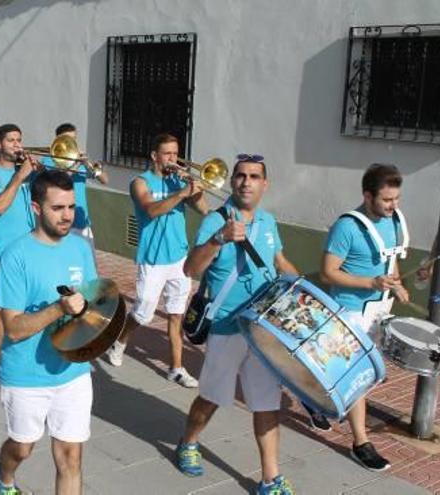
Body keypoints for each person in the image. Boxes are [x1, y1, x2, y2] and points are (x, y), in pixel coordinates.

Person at [176, 156, 298, 495]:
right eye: (241, 176)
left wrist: (299, 283)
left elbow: (278, 260)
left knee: (266, 402)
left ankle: (270, 479)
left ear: (264, 184)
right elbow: (190, 269)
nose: (246, 182)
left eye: (254, 176)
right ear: (232, 182)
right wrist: (219, 239)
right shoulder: (215, 220)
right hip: (226, 328)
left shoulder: (269, 222)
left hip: (262, 328)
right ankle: (188, 441)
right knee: (212, 397)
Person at [0, 169, 97, 495]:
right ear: (37, 208)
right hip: (26, 374)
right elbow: (13, 328)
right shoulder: (16, 256)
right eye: (58, 208)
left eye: (71, 207)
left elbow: (92, 302)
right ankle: (4, 478)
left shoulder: (80, 248)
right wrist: (58, 309)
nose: (67, 216)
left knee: (71, 457)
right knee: (22, 447)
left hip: (74, 371)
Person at [305, 164, 409, 472]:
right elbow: (328, 273)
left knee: (342, 374)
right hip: (348, 311)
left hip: (378, 311)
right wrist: (371, 283)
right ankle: (360, 442)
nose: (394, 206)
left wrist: (397, 283)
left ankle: (312, 397)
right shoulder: (347, 227)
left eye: (397, 199)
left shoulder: (394, 221)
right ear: (367, 196)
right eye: (387, 200)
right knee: (359, 380)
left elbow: (389, 261)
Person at [106, 133, 208, 389]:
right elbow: (151, 210)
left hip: (180, 258)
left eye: (176, 153)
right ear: (154, 156)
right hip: (152, 259)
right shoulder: (140, 182)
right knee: (143, 312)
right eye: (168, 154)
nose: (174, 159)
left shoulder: (178, 181)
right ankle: (120, 341)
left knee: (176, 314)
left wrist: (194, 190)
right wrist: (182, 193)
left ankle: (176, 368)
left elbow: (205, 210)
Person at [0, 124, 39, 358]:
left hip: (28, 249)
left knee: (27, 307)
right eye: (11, 140)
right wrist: (19, 176)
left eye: (19, 140)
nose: (17, 145)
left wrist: (39, 174)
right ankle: (0, 359)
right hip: (0, 251)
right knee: (1, 312)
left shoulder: (27, 175)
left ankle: (23, 352)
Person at [44, 123, 109, 250]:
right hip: (59, 222)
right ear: (59, 140)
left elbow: (104, 180)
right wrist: (75, 165)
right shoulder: (49, 161)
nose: (72, 143)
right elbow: (59, 182)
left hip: (81, 222)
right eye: (68, 140)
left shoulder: (80, 162)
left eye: (74, 139)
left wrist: (87, 162)